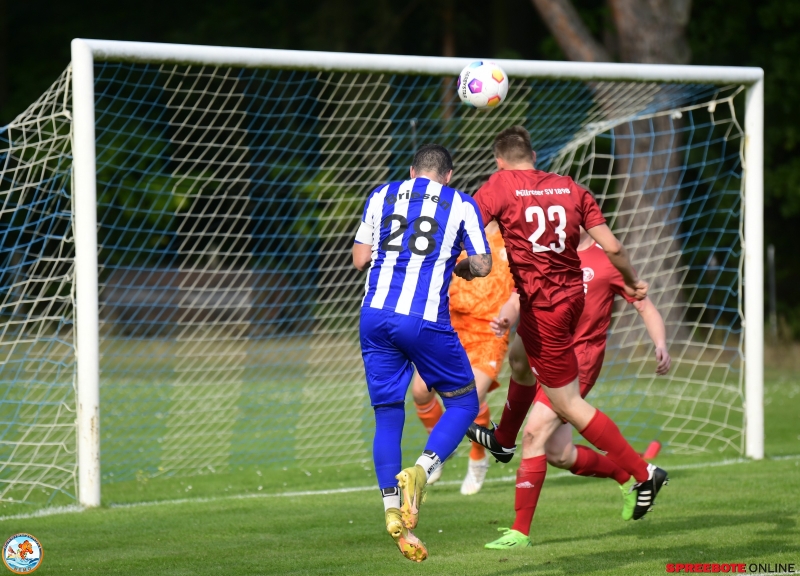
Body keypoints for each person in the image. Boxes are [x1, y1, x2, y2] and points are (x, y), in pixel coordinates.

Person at [466, 125, 669, 525]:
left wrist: (454, 262)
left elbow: (470, 230)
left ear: (499, 160)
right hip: (559, 304)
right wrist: (630, 278)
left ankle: (644, 474)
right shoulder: (571, 187)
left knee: (568, 406)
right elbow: (613, 246)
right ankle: (503, 439)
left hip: (549, 311)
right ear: (535, 156)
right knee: (520, 358)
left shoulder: (498, 185)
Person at [483, 227, 672, 549]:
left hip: (580, 363)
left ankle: (520, 531)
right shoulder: (549, 254)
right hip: (550, 355)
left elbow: (644, 305)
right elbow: (518, 296)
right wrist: (504, 317)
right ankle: (627, 475)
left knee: (534, 434)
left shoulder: (606, 260)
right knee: (559, 454)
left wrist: (660, 343)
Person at [353, 144, 492, 562]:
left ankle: (392, 509)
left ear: (412, 171)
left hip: (373, 317)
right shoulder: (461, 204)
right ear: (447, 176)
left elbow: (360, 259)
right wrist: (457, 265)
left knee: (387, 413)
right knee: (465, 402)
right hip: (424, 320)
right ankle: (423, 469)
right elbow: (483, 265)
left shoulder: (380, 195)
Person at [411, 219, 515, 495]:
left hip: (488, 332)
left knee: (470, 397)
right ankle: (439, 450)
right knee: (420, 391)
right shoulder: (460, 234)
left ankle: (478, 460)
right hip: (451, 326)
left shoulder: (514, 240)